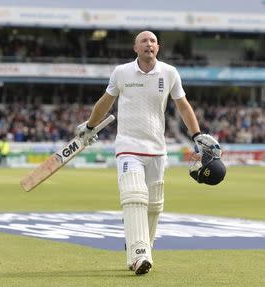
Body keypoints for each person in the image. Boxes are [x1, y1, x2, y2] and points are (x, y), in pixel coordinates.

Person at [77, 31, 221, 275]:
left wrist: (196, 134)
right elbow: (106, 101)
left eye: (153, 41)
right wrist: (90, 125)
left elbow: (183, 106)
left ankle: (141, 245)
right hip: (128, 146)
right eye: (143, 41)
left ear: (158, 47)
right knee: (134, 195)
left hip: (157, 149)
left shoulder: (169, 73)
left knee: (154, 206)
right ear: (135, 48)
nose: (149, 44)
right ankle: (139, 254)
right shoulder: (121, 72)